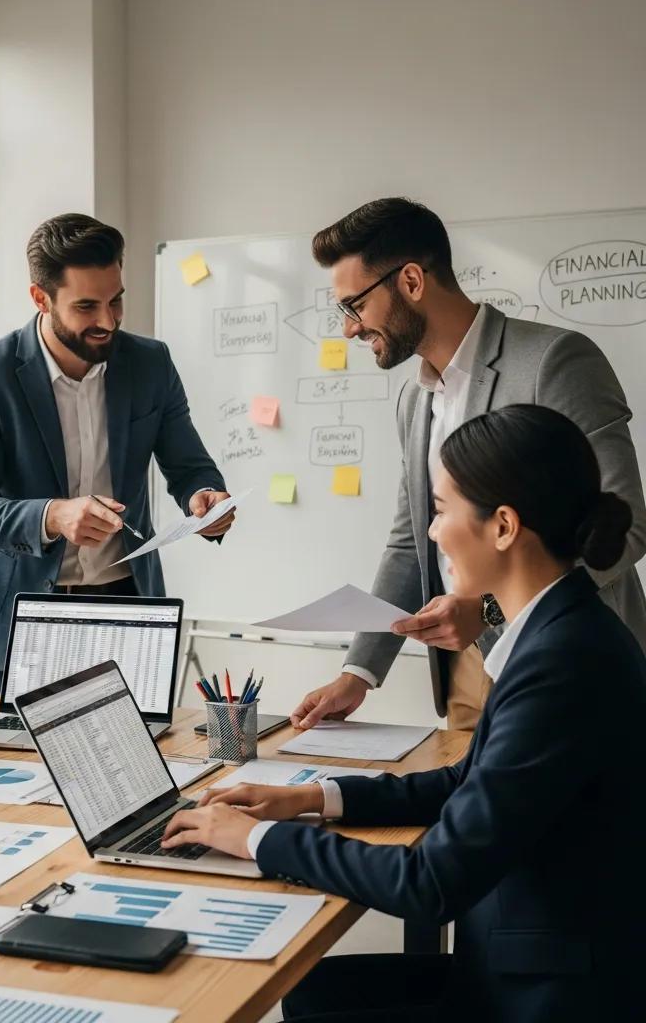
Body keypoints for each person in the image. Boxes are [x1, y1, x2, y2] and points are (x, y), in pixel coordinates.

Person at [161, 404, 646, 1022]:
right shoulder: (559, 628)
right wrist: (313, 799)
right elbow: (466, 784)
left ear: (502, 527)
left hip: (549, 995)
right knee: (312, 990)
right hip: (525, 959)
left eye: (442, 510)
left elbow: (431, 882)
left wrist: (256, 839)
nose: (434, 532)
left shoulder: (563, 663)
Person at [291, 197, 646, 731]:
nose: (349, 329)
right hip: (466, 670)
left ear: (411, 281)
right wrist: (358, 672)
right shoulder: (415, 400)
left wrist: (488, 611)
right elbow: (411, 543)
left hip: (570, 663)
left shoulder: (555, 362)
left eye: (354, 307)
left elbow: (627, 525)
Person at [0, 212, 233, 697]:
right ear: (41, 298)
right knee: (26, 770)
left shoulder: (150, 363)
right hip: (23, 613)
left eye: (116, 300)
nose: (108, 321)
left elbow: (190, 467)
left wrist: (205, 499)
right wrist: (54, 516)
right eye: (86, 306)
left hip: (127, 606)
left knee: (136, 766)